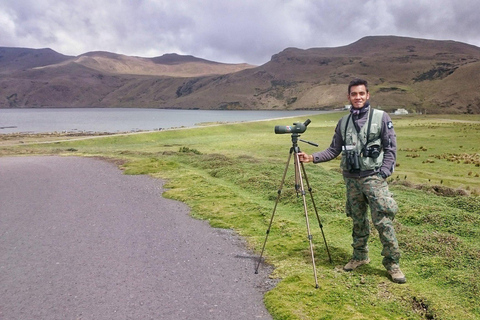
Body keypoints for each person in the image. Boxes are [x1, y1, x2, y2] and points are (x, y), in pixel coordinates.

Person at [298, 78, 406, 284]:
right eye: (354, 94)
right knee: (358, 221)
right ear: (349, 97)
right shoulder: (343, 122)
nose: (358, 97)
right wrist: (312, 158)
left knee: (383, 221)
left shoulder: (381, 118)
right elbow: (333, 150)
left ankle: (393, 264)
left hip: (374, 178)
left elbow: (390, 148)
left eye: (361, 94)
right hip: (351, 180)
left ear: (368, 95)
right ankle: (360, 257)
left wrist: (383, 173)